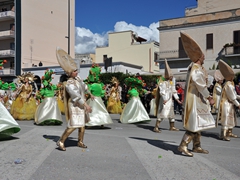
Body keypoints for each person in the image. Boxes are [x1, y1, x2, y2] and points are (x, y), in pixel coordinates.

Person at [178, 32, 216, 157]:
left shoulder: (198, 68)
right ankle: (183, 145)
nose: (204, 57)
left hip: (197, 98)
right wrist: (209, 96)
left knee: (199, 123)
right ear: (199, 57)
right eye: (203, 56)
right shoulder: (195, 68)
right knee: (194, 123)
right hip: (194, 99)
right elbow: (199, 84)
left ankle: (196, 146)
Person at [56, 47, 94, 151]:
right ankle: (61, 141)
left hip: (82, 104)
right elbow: (75, 96)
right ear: (70, 73)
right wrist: (86, 105)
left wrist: (90, 93)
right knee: (73, 125)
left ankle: (80, 141)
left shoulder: (78, 79)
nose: (77, 72)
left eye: (76, 70)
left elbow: (84, 86)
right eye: (75, 71)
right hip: (75, 105)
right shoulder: (69, 84)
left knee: (82, 125)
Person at [154, 59, 181, 133]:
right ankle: (156, 127)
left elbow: (174, 91)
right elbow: (162, 92)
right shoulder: (163, 83)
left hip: (170, 101)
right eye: (171, 76)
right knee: (162, 113)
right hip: (164, 101)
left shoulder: (171, 83)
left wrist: (177, 99)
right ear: (168, 76)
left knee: (171, 114)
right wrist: (165, 99)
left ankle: (172, 126)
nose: (172, 77)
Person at [217, 60, 240, 141]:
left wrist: (239, 97)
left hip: (230, 104)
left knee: (231, 118)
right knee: (226, 118)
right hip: (227, 104)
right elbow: (232, 96)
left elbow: (234, 95)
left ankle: (229, 132)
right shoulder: (228, 85)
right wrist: (238, 104)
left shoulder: (230, 84)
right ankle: (223, 135)